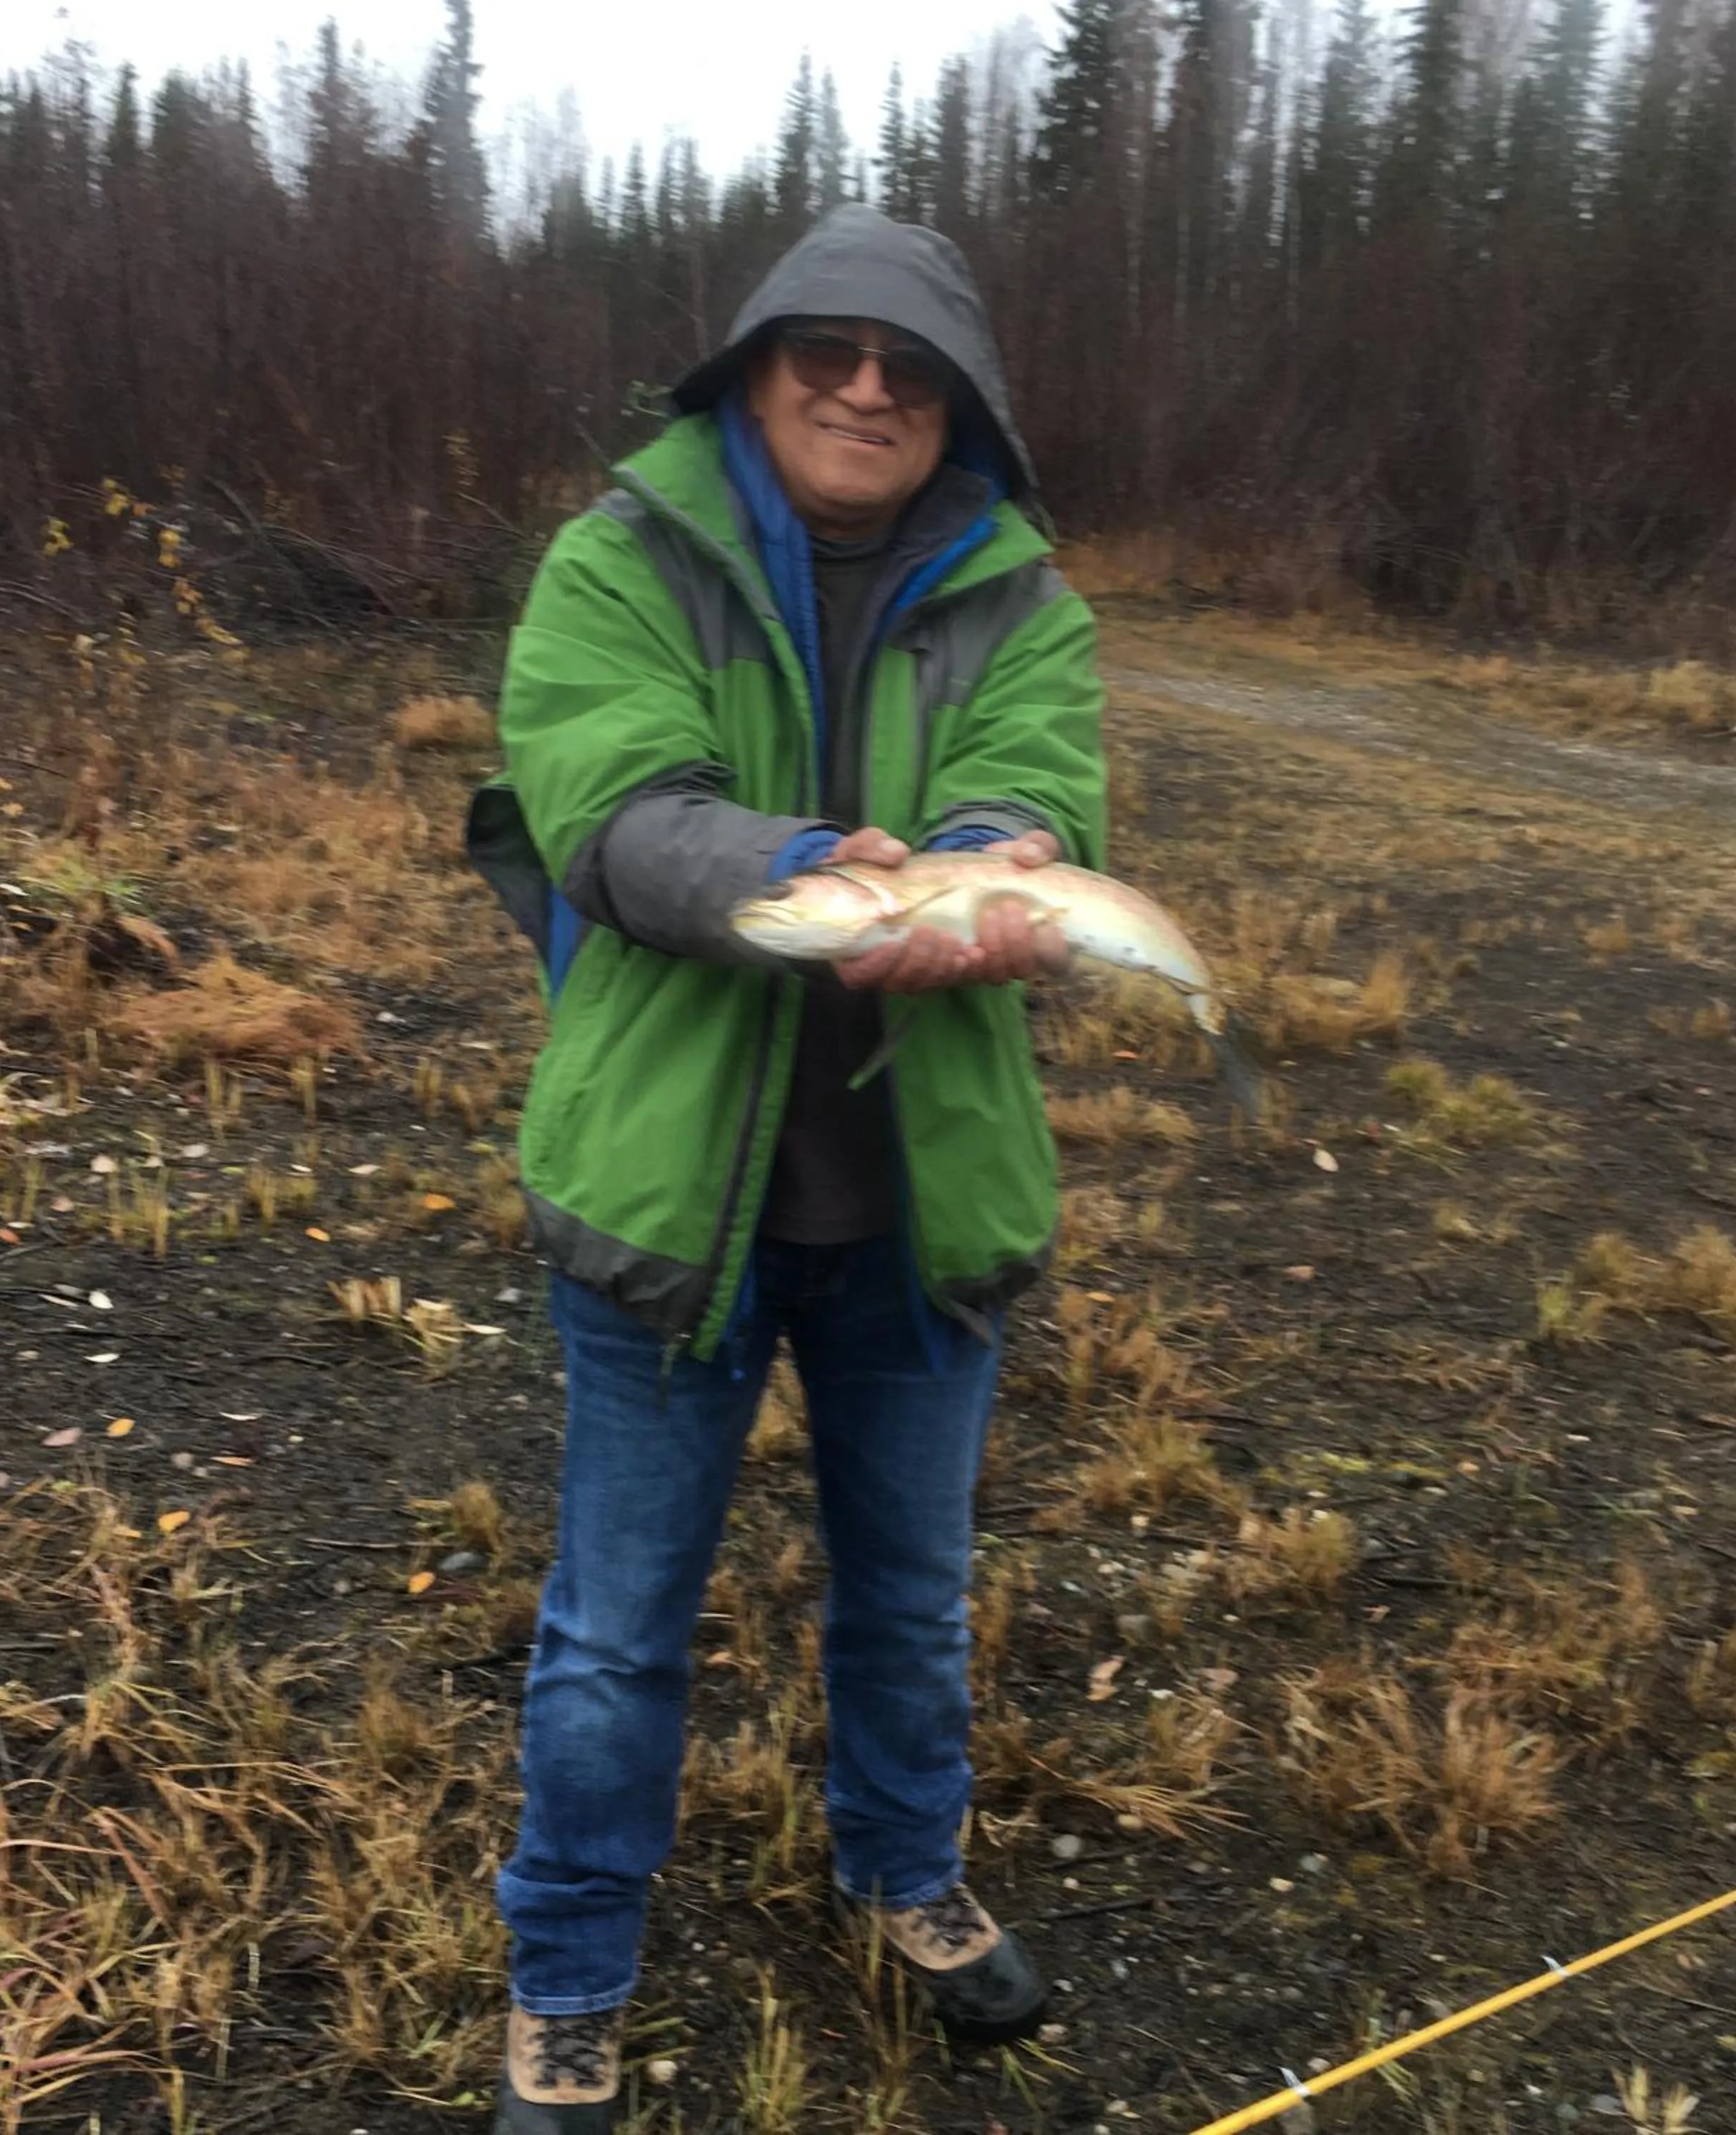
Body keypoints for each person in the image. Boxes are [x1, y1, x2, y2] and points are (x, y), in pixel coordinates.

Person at [467, 203, 1108, 2134]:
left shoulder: (1027, 599)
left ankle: (904, 1876)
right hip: (672, 1205)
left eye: (909, 368)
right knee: (613, 1630)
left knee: (910, 1599)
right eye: (823, 349)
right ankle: (566, 1985)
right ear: (749, 370)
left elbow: (1039, 790)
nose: (863, 387)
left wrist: (987, 868)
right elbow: (616, 814)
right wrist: (807, 878)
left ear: (959, 409)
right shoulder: (618, 561)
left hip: (922, 1214)